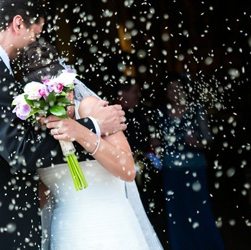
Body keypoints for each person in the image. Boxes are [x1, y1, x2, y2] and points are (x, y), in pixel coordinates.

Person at [0, 0, 125, 249]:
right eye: (34, 34)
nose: (32, 44)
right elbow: (19, 149)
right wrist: (92, 126)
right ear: (17, 24)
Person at [21, 41, 163, 249]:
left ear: (70, 89)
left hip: (112, 229)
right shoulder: (35, 129)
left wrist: (79, 130)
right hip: (67, 234)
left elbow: (128, 170)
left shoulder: (91, 109)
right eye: (43, 99)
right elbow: (46, 190)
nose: (54, 103)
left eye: (61, 92)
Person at [157, 73, 225, 250]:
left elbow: (209, 140)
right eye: (170, 88)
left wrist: (197, 142)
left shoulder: (196, 110)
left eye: (178, 87)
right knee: (176, 214)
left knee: (200, 213)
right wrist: (155, 145)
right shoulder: (160, 113)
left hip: (195, 170)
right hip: (171, 170)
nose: (174, 92)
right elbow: (155, 141)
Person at [119, 79, 169, 246]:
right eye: (135, 92)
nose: (139, 95)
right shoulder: (114, 113)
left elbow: (157, 135)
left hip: (148, 166)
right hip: (124, 168)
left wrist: (155, 143)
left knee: (153, 206)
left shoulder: (146, 111)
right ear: (122, 93)